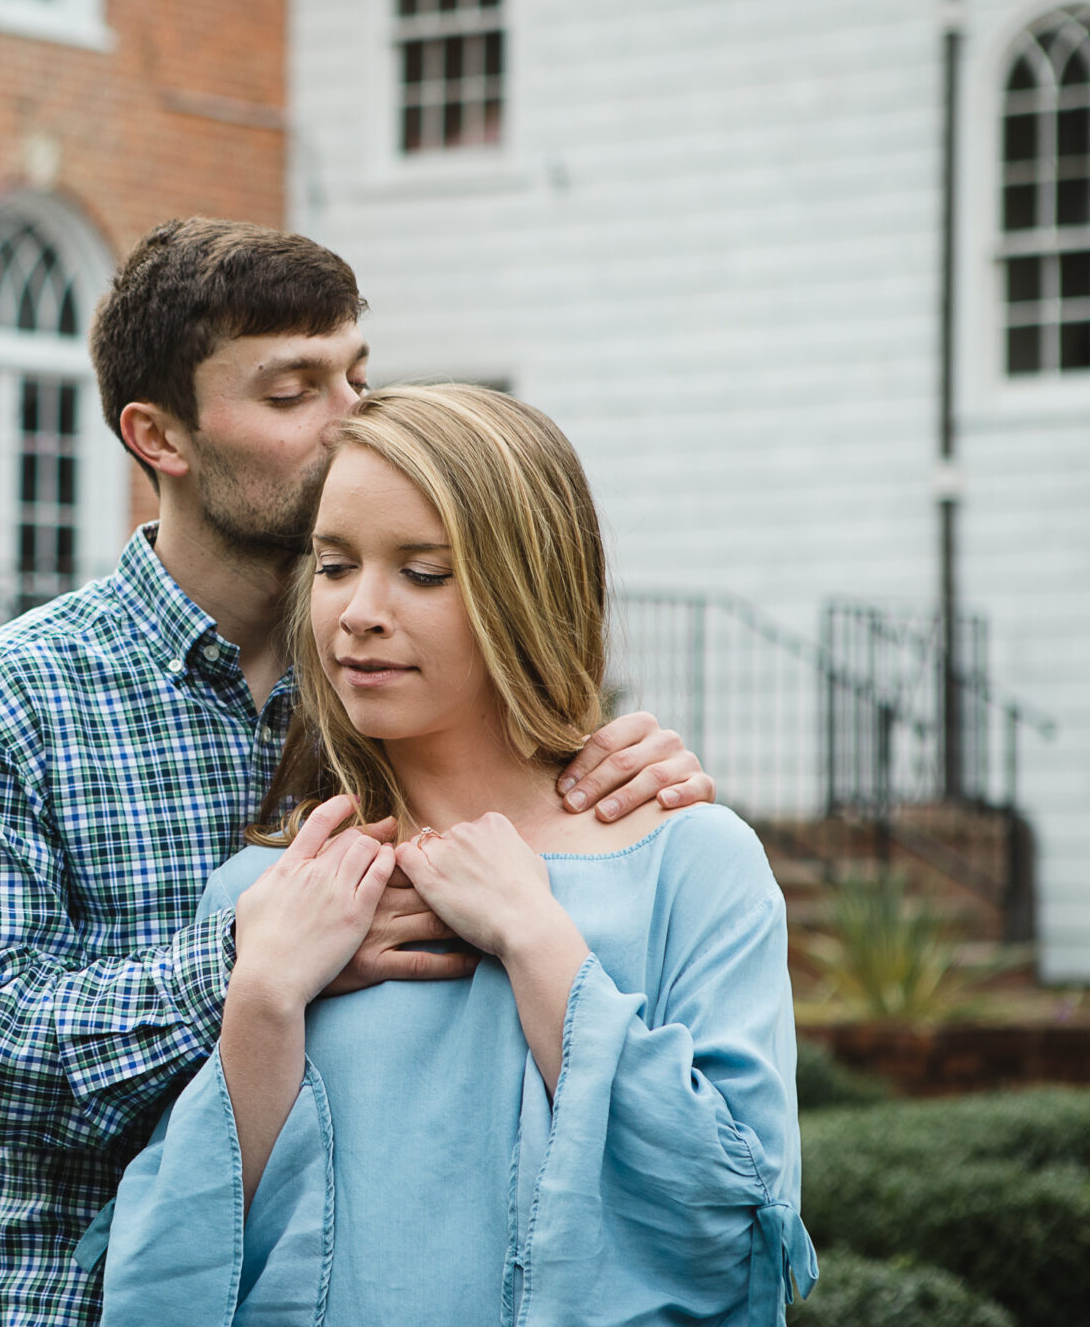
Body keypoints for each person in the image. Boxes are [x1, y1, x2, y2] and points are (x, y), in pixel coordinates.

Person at [0, 220, 719, 1327]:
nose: (353, 425)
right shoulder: (7, 701)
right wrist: (254, 965)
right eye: (292, 393)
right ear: (160, 438)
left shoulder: (397, 678)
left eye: (356, 377)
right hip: (76, 1302)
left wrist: (614, 766)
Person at [97, 383, 815, 1326]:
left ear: (527, 590)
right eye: (335, 565)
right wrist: (264, 999)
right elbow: (172, 1280)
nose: (359, 612)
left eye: (423, 573)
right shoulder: (268, 895)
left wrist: (537, 942)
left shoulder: (691, 864)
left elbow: (736, 1232)